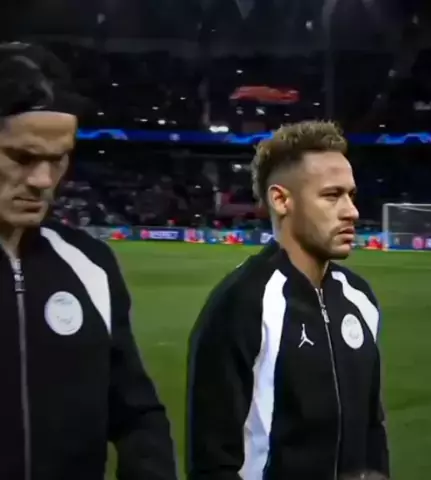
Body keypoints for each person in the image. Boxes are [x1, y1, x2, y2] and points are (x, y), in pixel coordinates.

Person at [0, 42, 177, 480]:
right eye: (22, 157)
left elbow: (136, 412)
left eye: (58, 159)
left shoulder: (91, 265)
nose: (43, 180)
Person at [186, 121, 389, 480]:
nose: (352, 212)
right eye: (332, 196)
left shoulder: (360, 299)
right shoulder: (242, 304)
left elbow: (373, 428)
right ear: (281, 200)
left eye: (351, 195)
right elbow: (212, 461)